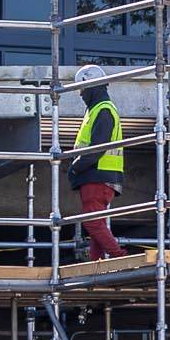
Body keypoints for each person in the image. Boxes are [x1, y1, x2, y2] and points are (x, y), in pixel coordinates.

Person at [68, 63, 126, 261]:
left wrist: (75, 168)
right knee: (96, 223)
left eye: (82, 89)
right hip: (99, 175)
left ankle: (119, 257)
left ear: (91, 86)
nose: (81, 94)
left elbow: (96, 149)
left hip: (98, 175)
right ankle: (96, 262)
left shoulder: (103, 111)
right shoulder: (99, 110)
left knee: (92, 223)